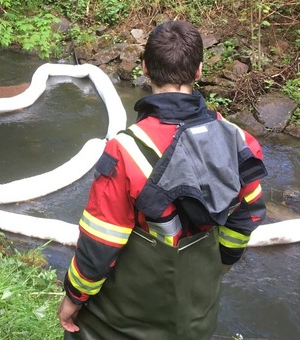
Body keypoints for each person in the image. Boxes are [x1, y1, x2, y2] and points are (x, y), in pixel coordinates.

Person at [58, 20, 266, 339]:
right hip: (197, 310)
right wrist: (217, 264)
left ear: (144, 69)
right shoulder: (241, 142)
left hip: (124, 318)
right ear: (198, 70)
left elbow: (101, 241)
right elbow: (248, 215)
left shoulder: (124, 150)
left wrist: (74, 296)